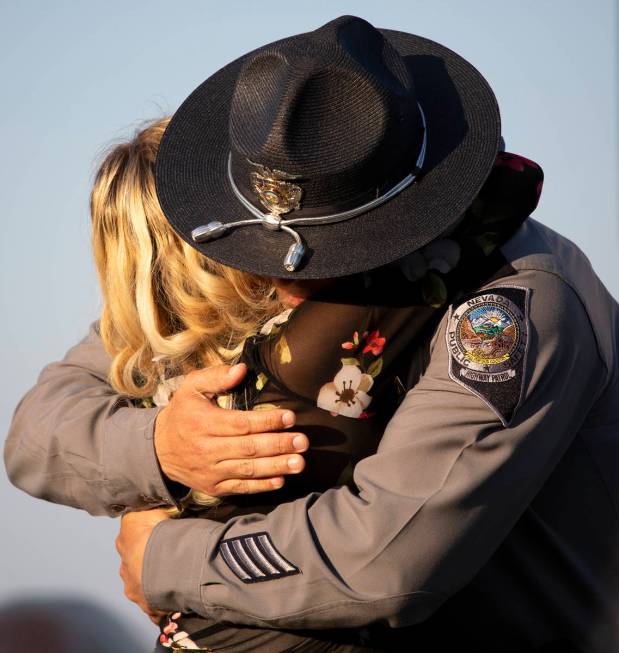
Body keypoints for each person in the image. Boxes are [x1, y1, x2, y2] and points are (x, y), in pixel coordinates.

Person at [5, 15, 619, 653]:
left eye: (323, 249)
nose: (278, 280)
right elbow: (38, 428)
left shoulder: (510, 310)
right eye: (267, 248)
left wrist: (165, 558)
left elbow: (387, 556)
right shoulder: (274, 260)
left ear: (397, 218)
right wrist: (162, 447)